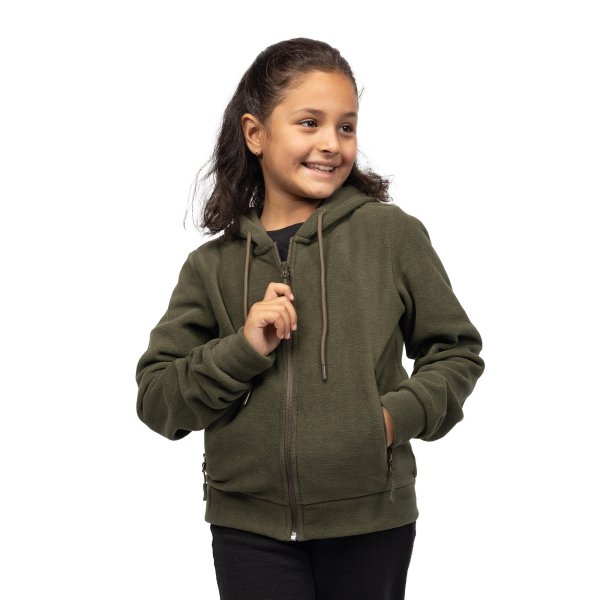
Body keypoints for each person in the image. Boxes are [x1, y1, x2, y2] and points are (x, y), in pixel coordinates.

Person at [135, 37, 485, 600]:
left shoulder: (390, 236)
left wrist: (387, 421)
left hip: (370, 520)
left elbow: (456, 351)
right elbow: (157, 400)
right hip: (248, 527)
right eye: (309, 123)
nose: (331, 143)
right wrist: (242, 350)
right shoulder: (211, 266)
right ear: (255, 134)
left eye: (346, 126)